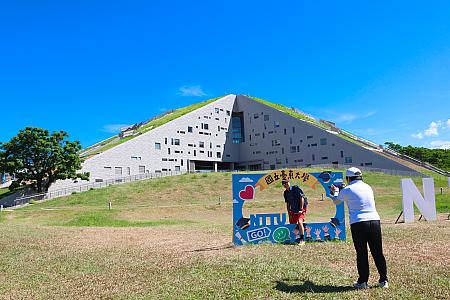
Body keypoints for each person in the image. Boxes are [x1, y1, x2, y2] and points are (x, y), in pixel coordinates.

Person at [330, 167, 388, 289]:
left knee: (362, 253)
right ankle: (384, 280)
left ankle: (363, 282)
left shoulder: (347, 189)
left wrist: (336, 191)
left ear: (348, 178)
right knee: (377, 252)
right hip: (375, 220)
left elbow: (336, 201)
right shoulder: (368, 187)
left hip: (359, 223)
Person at [282, 179, 306, 245]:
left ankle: (302, 239)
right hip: (293, 209)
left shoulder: (296, 189)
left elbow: (302, 198)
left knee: (299, 221)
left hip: (301, 208)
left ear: (289, 182)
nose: (286, 184)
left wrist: (301, 209)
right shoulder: (285, 193)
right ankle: (295, 238)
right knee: (292, 223)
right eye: (284, 183)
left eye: (286, 183)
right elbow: (288, 203)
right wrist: (289, 213)